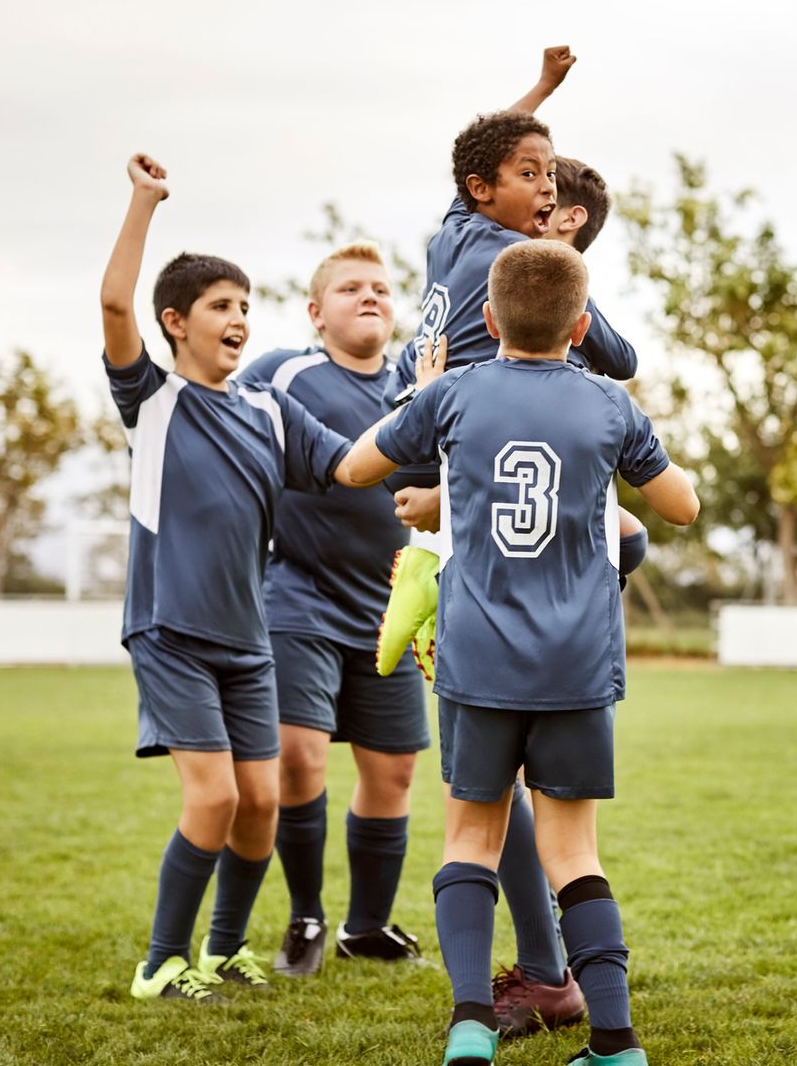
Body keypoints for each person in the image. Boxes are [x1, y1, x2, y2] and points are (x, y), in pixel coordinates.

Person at [341, 239, 701, 1066]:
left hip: (479, 660)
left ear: (489, 317)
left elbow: (357, 468)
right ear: (581, 328)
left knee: (470, 841)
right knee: (574, 854)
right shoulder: (609, 405)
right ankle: (616, 1044)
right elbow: (680, 506)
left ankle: (470, 1027)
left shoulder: (454, 393)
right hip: (577, 664)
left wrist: (423, 398)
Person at [100, 152, 370, 1001]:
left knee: (261, 804)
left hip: (249, 644)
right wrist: (145, 202)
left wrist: (430, 419)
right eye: (222, 306)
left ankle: (222, 951)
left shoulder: (269, 410)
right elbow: (114, 304)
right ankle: (161, 963)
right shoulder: (152, 402)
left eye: (246, 306)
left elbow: (353, 467)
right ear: (176, 322)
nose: (239, 319)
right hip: (171, 630)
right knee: (213, 801)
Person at [239, 243, 430, 975]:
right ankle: (306, 919)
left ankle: (367, 928)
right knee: (299, 757)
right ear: (316, 313)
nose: (370, 296)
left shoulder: (420, 385)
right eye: (350, 288)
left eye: (380, 287)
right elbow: (219, 418)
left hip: (390, 608)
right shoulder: (282, 373)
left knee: (395, 772)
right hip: (300, 597)